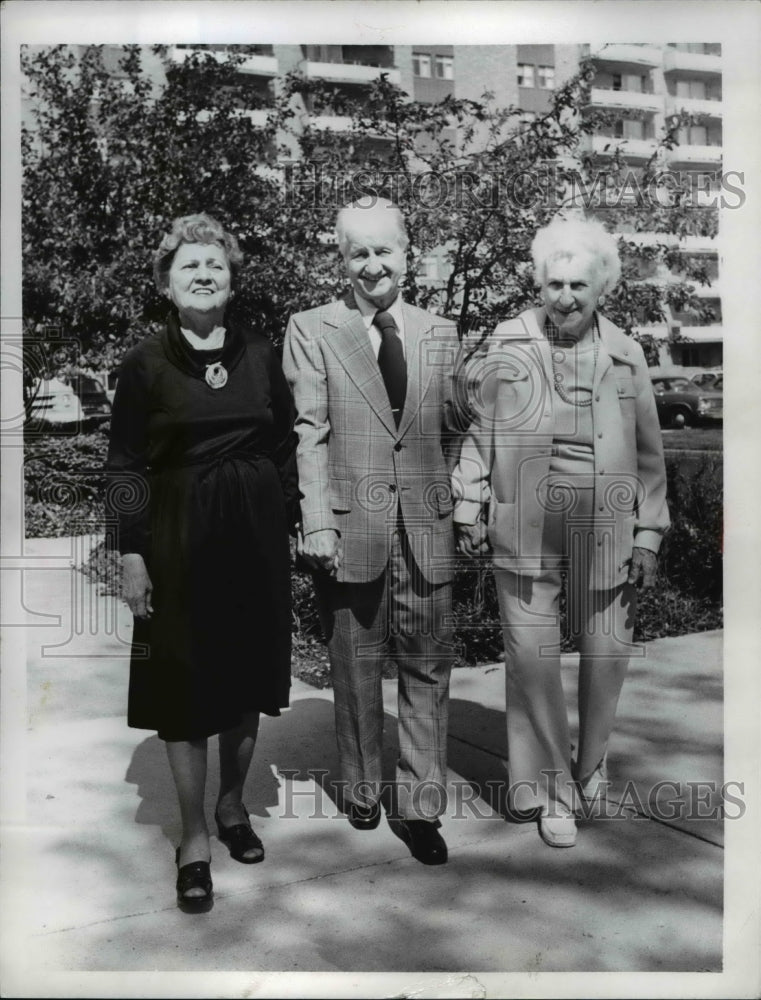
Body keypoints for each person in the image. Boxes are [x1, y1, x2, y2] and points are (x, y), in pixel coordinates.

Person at [452, 215, 669, 848]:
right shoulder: (509, 341)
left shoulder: (627, 352)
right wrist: (468, 502)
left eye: (578, 284)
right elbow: (480, 428)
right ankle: (549, 788)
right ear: (539, 284)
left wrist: (650, 532)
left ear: (602, 285)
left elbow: (651, 454)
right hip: (524, 514)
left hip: (608, 515)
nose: (565, 297)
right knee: (531, 656)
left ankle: (591, 760)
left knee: (607, 648)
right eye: (553, 284)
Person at [107, 213, 298, 909]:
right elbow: (125, 466)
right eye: (189, 266)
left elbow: (282, 445)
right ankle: (191, 837)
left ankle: (230, 807)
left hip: (252, 535)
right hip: (176, 538)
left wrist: (288, 517)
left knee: (245, 681)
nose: (203, 275)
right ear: (166, 282)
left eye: (214, 265)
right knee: (185, 689)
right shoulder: (144, 362)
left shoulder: (260, 351)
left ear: (231, 277)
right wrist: (131, 554)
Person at [283, 199, 463, 865]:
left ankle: (419, 809)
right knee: (355, 667)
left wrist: (459, 495)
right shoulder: (311, 328)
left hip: (426, 525)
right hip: (350, 527)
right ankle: (362, 788)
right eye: (357, 253)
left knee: (427, 669)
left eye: (383, 251)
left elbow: (462, 426)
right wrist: (317, 523)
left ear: (406, 255)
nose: (372, 264)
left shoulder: (440, 332)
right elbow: (309, 433)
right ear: (341, 261)